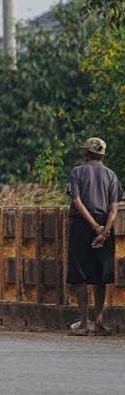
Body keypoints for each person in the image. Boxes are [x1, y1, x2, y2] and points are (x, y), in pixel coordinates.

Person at [66, 136, 123, 336]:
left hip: (83, 224)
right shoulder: (111, 175)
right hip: (105, 223)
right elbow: (114, 207)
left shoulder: (77, 172)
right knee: (101, 276)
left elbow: (77, 201)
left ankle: (83, 323)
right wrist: (105, 230)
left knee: (80, 275)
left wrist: (94, 226)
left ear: (86, 154)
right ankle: (99, 322)